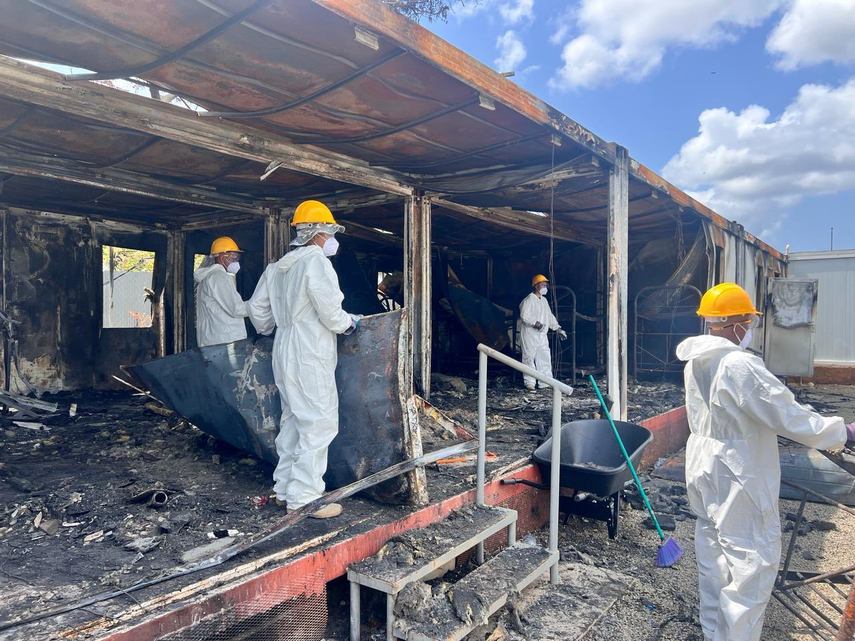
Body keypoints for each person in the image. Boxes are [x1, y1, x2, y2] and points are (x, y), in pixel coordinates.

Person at [675, 282, 855, 641]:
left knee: (714, 562)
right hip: (737, 470)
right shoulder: (739, 364)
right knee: (749, 567)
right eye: (749, 321)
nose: (750, 327)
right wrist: (841, 432)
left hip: (703, 464)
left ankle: (715, 634)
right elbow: (787, 414)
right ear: (737, 323)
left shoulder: (696, 361)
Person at [247, 200, 359, 519]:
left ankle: (285, 489)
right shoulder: (315, 263)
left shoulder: (278, 267)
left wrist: (272, 327)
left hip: (284, 345)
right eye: (329, 232)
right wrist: (349, 322)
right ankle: (306, 498)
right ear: (319, 233)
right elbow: (330, 312)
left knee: (293, 419)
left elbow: (257, 309)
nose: (331, 239)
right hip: (309, 347)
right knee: (318, 421)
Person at [194, 236, 248, 348]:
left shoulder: (208, 278)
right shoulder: (220, 278)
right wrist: (260, 305)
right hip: (225, 341)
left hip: (213, 340)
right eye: (234, 257)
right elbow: (237, 309)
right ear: (223, 258)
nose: (236, 261)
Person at [519, 274, 567, 390]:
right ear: (535, 286)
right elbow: (524, 316)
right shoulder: (529, 299)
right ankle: (530, 382)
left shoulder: (544, 300)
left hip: (541, 335)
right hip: (530, 334)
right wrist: (536, 323)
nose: (544, 287)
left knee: (544, 357)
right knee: (529, 357)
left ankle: (545, 382)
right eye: (542, 284)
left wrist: (557, 328)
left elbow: (549, 317)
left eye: (545, 285)